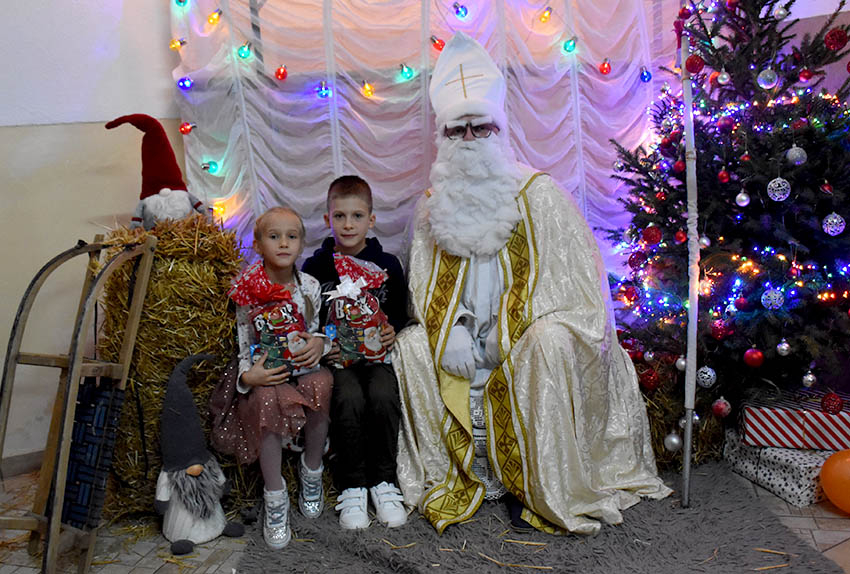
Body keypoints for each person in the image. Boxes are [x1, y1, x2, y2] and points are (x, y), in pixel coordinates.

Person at [392, 32, 671, 536]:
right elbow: (422, 284)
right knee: (411, 345)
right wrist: (450, 326)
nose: (470, 141)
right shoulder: (431, 208)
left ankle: (544, 485)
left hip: (527, 343)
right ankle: (455, 474)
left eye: (481, 128)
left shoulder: (541, 196)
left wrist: (509, 333)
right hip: (461, 346)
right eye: (458, 131)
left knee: (548, 343)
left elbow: (581, 298)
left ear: (499, 130)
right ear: (443, 137)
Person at [209, 207, 333, 550]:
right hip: (266, 370)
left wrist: (319, 345)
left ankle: (312, 471)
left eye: (291, 237)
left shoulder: (308, 286)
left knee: (321, 382)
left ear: (302, 244)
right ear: (258, 244)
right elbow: (244, 345)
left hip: (301, 368)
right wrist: (250, 376)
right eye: (273, 236)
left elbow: (316, 331)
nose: (283, 244)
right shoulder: (247, 288)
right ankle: (275, 494)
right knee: (264, 396)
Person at [302, 175, 408, 530]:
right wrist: (321, 343)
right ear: (327, 220)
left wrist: (392, 329)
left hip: (377, 359)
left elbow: (399, 313)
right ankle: (352, 485)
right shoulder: (316, 268)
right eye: (340, 216)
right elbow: (308, 316)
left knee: (382, 395)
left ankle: (384, 482)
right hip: (338, 361)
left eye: (357, 216)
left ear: (371, 220)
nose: (348, 224)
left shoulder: (388, 265)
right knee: (346, 399)